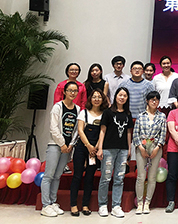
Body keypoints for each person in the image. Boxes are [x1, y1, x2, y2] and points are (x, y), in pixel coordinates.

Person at [40, 82, 80, 217]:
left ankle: (52, 202)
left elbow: (76, 130)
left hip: (67, 148)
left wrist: (71, 144)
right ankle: (45, 205)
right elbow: (53, 128)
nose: (72, 93)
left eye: (75, 91)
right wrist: (62, 143)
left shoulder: (77, 109)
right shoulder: (57, 107)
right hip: (55, 145)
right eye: (70, 90)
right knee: (49, 175)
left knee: (57, 176)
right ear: (64, 91)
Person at [69, 88, 108, 216]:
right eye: (94, 97)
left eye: (99, 97)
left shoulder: (105, 114)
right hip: (82, 147)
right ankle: (73, 205)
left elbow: (103, 132)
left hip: (95, 149)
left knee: (90, 177)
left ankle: (85, 205)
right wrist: (88, 146)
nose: (97, 99)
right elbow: (80, 131)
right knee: (77, 176)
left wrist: (95, 148)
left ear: (102, 99)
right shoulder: (83, 113)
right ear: (90, 99)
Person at [96, 86, 133, 218]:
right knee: (105, 178)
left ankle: (116, 206)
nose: (122, 97)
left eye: (124, 96)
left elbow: (128, 132)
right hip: (108, 149)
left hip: (123, 150)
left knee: (119, 178)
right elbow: (102, 131)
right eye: (120, 95)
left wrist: (129, 149)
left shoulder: (128, 114)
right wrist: (100, 148)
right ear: (115, 96)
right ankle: (102, 205)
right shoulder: (108, 112)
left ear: (127, 98)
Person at [133, 91, 167, 214]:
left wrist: (157, 148)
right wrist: (141, 148)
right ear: (147, 101)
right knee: (141, 177)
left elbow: (163, 134)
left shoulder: (162, 116)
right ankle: (140, 203)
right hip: (141, 147)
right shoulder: (140, 116)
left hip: (156, 148)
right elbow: (135, 134)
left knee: (152, 177)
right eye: (152, 99)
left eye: (156, 100)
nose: (154, 101)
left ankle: (147, 203)